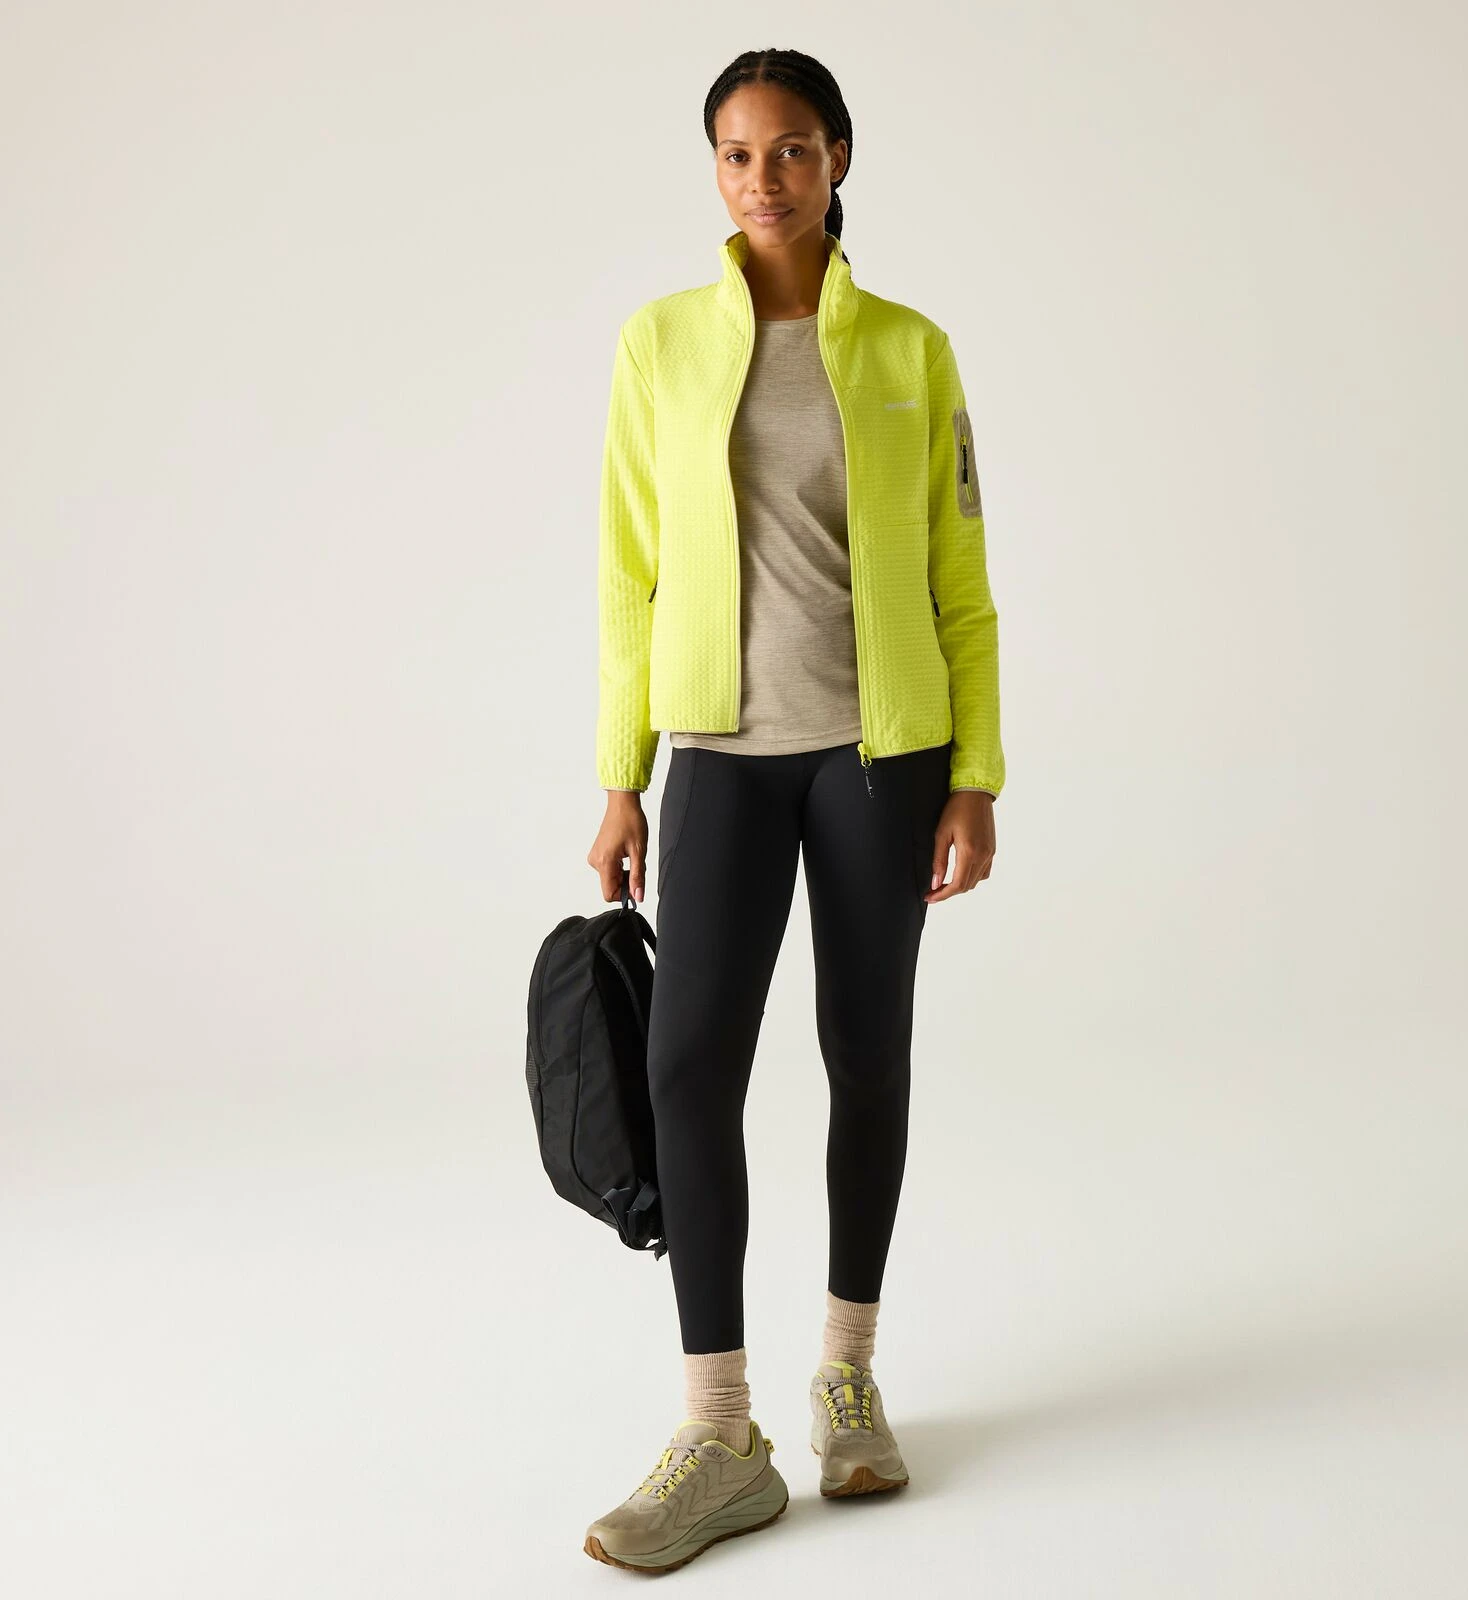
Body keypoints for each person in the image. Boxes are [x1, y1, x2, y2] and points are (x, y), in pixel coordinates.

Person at [581, 48, 1005, 1574]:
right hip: (719, 753)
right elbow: (628, 576)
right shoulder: (660, 342)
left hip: (879, 758)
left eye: (795, 149)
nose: (766, 178)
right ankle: (720, 1431)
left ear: (840, 159)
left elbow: (961, 579)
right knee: (688, 1064)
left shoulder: (909, 348)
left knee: (864, 1054)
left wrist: (975, 776)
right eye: (739, 153)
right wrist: (621, 776)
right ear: (714, 168)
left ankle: (848, 1377)